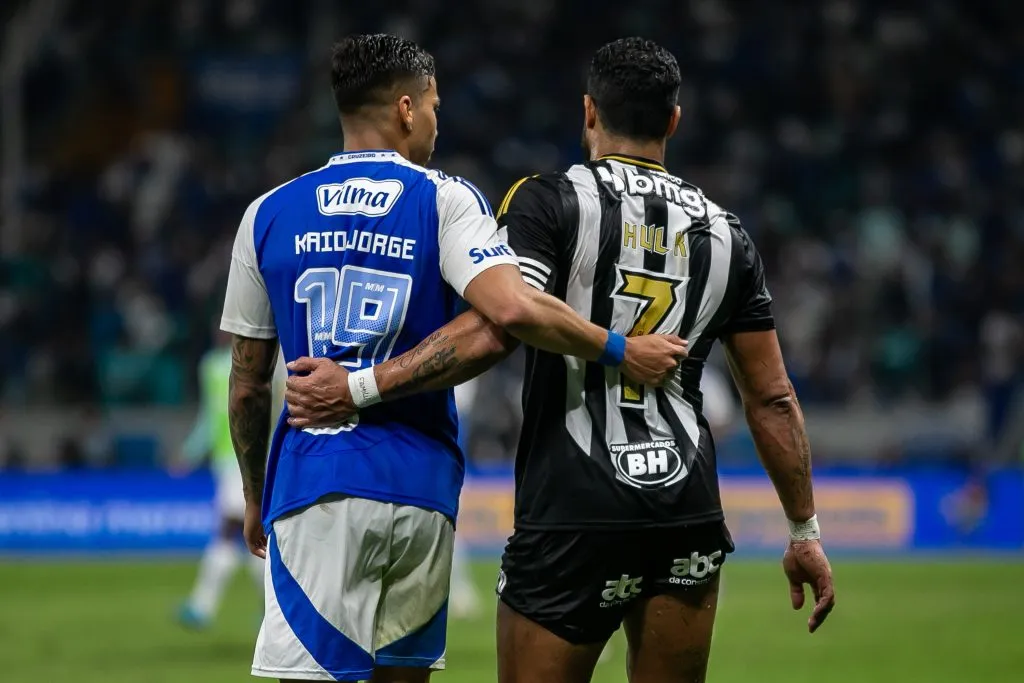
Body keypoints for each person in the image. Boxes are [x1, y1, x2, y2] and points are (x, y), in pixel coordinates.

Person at [283, 37, 836, 683]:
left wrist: (361, 386)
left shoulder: (547, 201)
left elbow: (495, 329)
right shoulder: (726, 232)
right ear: (674, 120)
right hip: (683, 507)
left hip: (572, 507)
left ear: (589, 113)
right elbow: (772, 396)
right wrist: (804, 529)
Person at [219, 33, 686, 683]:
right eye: (434, 106)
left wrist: (253, 492)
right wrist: (617, 346)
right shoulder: (445, 198)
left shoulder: (268, 214)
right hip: (422, 492)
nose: (438, 122)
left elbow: (246, 386)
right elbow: (509, 313)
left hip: (317, 483)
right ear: (407, 110)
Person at [175, 328, 284, 630]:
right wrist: (192, 450)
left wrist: (191, 451)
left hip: (242, 460)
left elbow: (213, 416)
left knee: (234, 532)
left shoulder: (214, 366)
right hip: (242, 457)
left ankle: (202, 607)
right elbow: (214, 415)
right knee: (248, 536)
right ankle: (266, 610)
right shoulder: (264, 362)